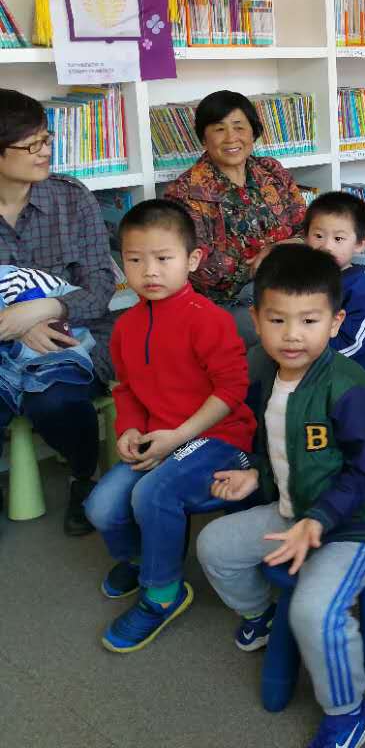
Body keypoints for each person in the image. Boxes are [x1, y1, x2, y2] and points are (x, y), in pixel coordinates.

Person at [196, 245, 365, 748]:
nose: (292, 335)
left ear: (335, 322)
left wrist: (320, 519)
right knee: (214, 546)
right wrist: (255, 477)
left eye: (309, 320)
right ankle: (260, 615)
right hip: (295, 508)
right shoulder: (267, 374)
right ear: (256, 320)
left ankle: (349, 712)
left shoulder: (347, 386)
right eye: (277, 320)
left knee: (313, 610)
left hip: (355, 526)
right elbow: (281, 446)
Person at [84, 200, 255, 652]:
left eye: (163, 258)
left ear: (191, 260)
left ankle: (163, 594)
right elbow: (126, 389)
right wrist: (127, 430)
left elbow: (232, 390)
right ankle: (142, 561)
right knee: (101, 506)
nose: (150, 271)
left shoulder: (209, 320)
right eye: (135, 260)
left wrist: (178, 436)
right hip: (159, 438)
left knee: (151, 494)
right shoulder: (126, 326)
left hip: (219, 439)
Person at [0, 89, 116, 535]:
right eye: (31, 145)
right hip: (4, 338)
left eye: (46, 139)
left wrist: (47, 308)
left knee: (59, 400)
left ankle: (82, 476)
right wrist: (17, 328)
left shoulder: (71, 198)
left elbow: (100, 287)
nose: (45, 151)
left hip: (77, 332)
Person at [163, 90, 307, 344]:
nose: (231, 137)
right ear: (204, 138)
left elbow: (307, 228)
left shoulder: (271, 171)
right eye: (219, 129)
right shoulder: (184, 193)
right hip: (227, 304)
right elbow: (202, 271)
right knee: (292, 332)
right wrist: (269, 263)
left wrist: (282, 249)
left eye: (239, 127)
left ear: (253, 132)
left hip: (290, 285)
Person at [303, 192, 365, 379]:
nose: (326, 246)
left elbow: (352, 347)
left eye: (338, 239)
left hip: (344, 378)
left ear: (359, 244)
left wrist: (301, 356)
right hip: (299, 363)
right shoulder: (299, 279)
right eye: (318, 235)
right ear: (306, 237)